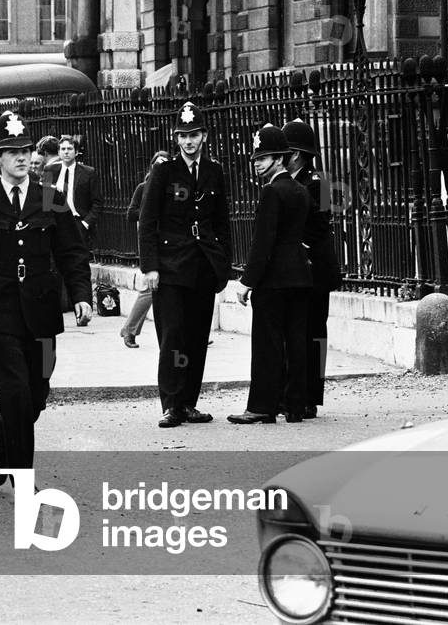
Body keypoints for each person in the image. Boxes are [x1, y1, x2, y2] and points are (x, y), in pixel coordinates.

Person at [0, 111, 92, 484]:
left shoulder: (50, 198)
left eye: (25, 150)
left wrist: (83, 295)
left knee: (37, 395)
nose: (21, 157)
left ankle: (2, 436)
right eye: (11, 151)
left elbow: (72, 249)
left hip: (43, 314)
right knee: (16, 396)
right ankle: (23, 480)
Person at [138, 102, 231, 428]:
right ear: (176, 138)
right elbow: (147, 221)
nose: (189, 142)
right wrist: (150, 266)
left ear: (204, 136)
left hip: (203, 267)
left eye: (194, 135)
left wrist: (224, 267)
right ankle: (171, 404)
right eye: (183, 136)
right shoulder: (165, 170)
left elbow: (222, 222)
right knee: (173, 336)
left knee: (195, 337)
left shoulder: (214, 171)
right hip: (170, 266)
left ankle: (189, 402)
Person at [228, 125, 312, 425]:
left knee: (267, 344)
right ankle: (295, 406)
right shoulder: (301, 190)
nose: (257, 163)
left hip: (274, 280)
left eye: (263, 157)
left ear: (279, 158)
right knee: (296, 342)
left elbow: (263, 243)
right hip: (300, 276)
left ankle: (262, 405)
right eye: (256, 158)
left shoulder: (271, 192)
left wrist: (247, 281)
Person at [282, 119, 342, 417]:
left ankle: (311, 395)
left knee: (314, 334)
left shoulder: (319, 182)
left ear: (295, 153)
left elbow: (318, 227)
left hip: (315, 271)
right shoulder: (287, 180)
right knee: (295, 333)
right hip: (298, 269)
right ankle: (294, 391)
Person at [121, 151, 170, 348]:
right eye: (157, 164)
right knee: (150, 289)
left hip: (174, 244)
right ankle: (130, 330)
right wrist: (149, 211)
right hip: (153, 244)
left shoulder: (175, 187)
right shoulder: (144, 187)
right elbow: (131, 213)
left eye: (164, 164)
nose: (160, 168)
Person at [42, 136, 104, 252]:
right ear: (59, 152)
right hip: (56, 222)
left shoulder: (88, 172)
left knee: (78, 259)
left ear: (76, 152)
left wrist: (85, 223)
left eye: (69, 149)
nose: (66, 152)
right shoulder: (49, 170)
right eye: (63, 149)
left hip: (78, 223)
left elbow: (97, 202)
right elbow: (45, 200)